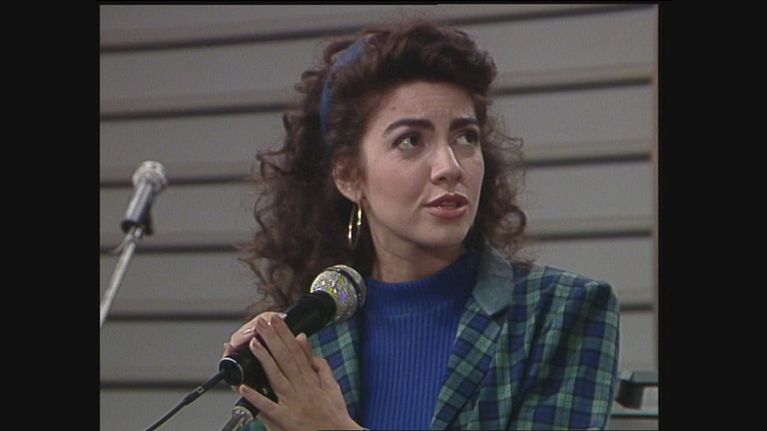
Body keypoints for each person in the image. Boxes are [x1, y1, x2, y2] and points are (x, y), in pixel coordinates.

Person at [222, 18, 620, 431]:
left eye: (465, 137)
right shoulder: (310, 340)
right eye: (411, 140)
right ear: (348, 175)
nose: (450, 167)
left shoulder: (561, 312)